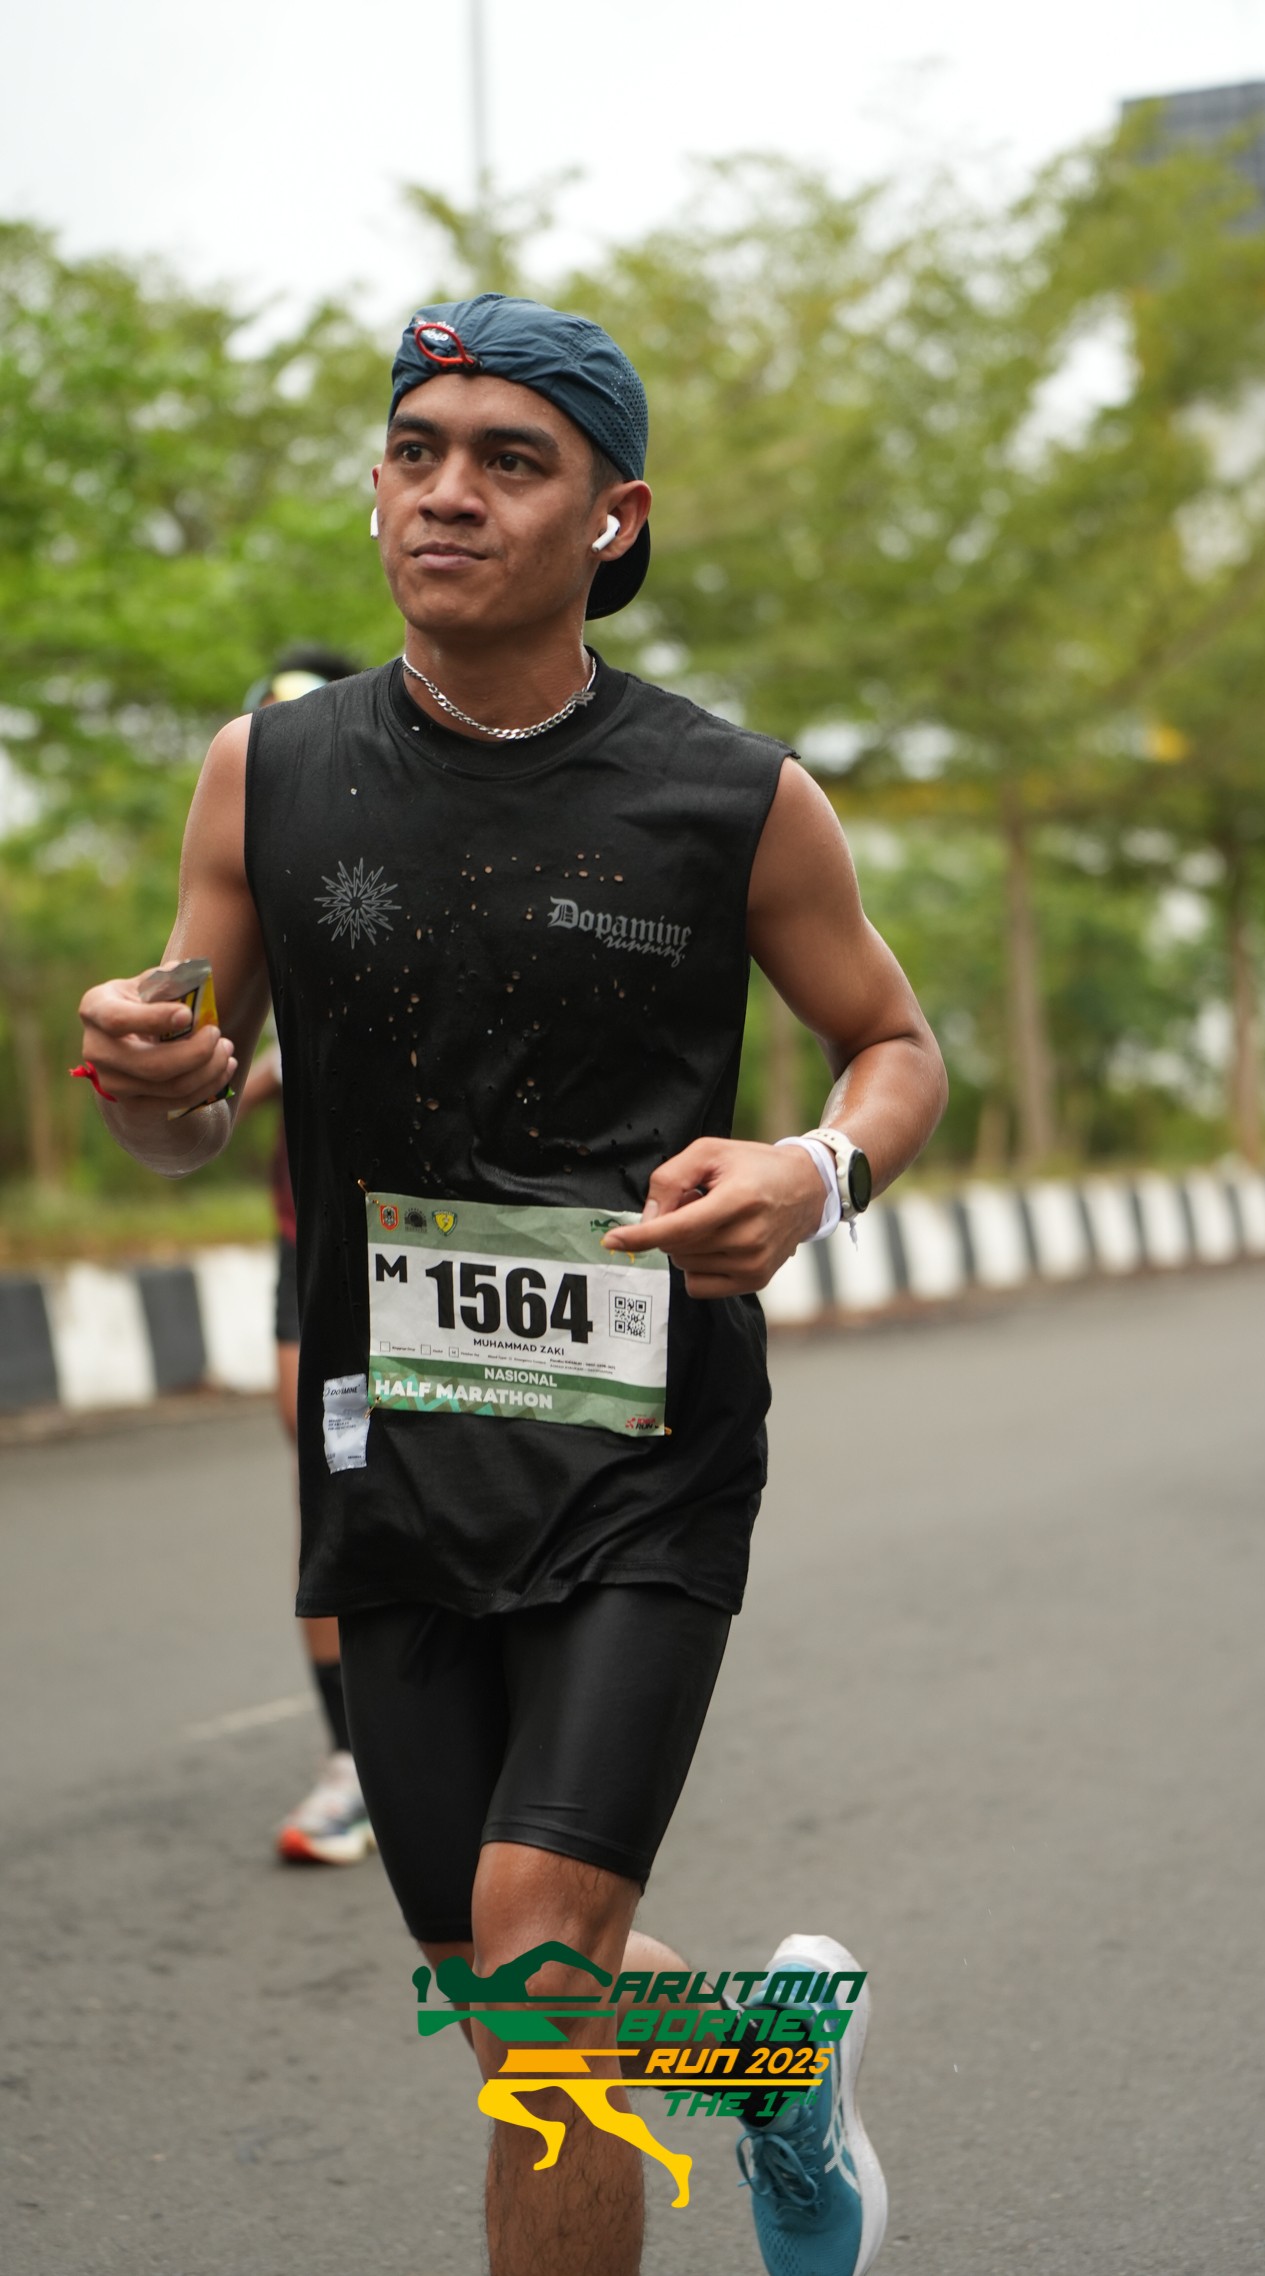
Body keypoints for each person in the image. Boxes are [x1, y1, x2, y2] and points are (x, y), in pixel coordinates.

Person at [77, 292, 947, 2276]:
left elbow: (895, 1044)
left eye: (507, 459)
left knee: (538, 1964)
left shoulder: (732, 797)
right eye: (416, 450)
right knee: (501, 1981)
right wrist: (158, 1083)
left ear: (611, 518)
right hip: (390, 1446)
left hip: (646, 1445)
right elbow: (187, 1111)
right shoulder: (267, 776)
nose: (445, 491)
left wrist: (813, 1172)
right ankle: (772, 2064)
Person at [237, 645, 376, 1866]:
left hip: (450, 1247)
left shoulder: (433, 834)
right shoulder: (248, 866)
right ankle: (353, 1760)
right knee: (331, 1485)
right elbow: (200, 1090)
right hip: (315, 1247)